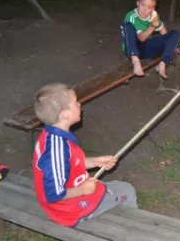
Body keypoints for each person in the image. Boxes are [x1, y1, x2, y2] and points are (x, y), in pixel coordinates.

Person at [32, 83, 137, 227]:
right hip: (68, 209)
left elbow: (70, 163)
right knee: (126, 190)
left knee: (114, 188)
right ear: (65, 114)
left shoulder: (54, 134)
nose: (79, 104)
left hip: (72, 194)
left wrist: (94, 162)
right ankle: (129, 230)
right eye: (75, 102)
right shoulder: (55, 151)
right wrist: (82, 190)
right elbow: (54, 194)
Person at [120, 0, 180, 78]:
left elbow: (163, 32)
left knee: (176, 33)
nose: (145, 10)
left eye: (149, 7)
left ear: (153, 9)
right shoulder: (132, 16)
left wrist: (171, 45)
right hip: (133, 47)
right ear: (138, 3)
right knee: (127, 25)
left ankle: (163, 64)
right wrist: (152, 26)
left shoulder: (153, 17)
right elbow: (141, 38)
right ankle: (136, 61)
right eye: (143, 5)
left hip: (147, 49)